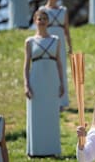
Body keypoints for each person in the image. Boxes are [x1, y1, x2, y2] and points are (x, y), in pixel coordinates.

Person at [23, 9, 64, 157]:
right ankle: (36, 150)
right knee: (36, 114)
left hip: (52, 80)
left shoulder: (56, 40)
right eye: (39, 19)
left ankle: (52, 149)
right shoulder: (30, 41)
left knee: (51, 114)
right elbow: (26, 65)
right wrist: (26, 84)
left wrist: (62, 83)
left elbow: (59, 63)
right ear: (35, 21)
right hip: (36, 80)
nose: (42, 21)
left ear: (48, 22)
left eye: (44, 19)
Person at [39, 0, 72, 111]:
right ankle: (48, 98)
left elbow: (67, 30)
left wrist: (70, 46)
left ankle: (62, 101)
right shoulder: (42, 9)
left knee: (61, 70)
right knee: (48, 70)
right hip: (46, 42)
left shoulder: (63, 10)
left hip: (60, 43)